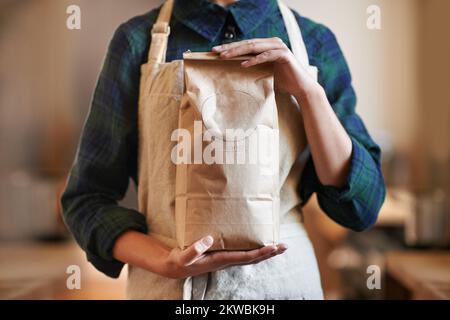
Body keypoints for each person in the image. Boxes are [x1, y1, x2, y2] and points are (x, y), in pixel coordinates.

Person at [61, 0, 385, 299]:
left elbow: (361, 206)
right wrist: (164, 261)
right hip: (168, 289)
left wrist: (309, 94)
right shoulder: (137, 40)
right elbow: (86, 200)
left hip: (282, 286)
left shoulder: (313, 42)